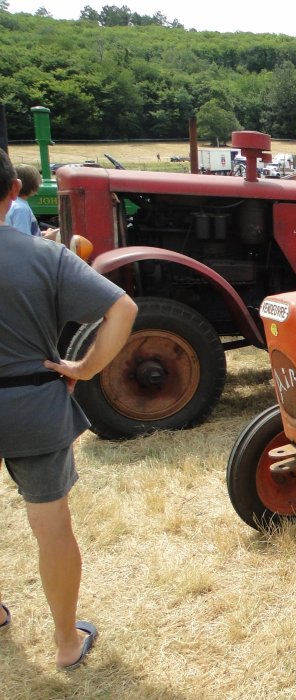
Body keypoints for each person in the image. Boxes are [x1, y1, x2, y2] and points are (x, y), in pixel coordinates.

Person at [0, 149, 138, 670]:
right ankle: (64, 642)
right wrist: (84, 368)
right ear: (15, 191)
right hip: (34, 403)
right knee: (51, 524)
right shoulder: (45, 255)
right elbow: (123, 308)